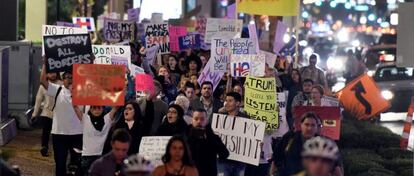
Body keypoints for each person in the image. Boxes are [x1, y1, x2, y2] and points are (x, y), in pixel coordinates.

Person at [40, 62, 83, 176]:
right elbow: (43, 81)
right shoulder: (57, 90)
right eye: (66, 77)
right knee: (60, 164)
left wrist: (92, 63)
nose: (69, 79)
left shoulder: (83, 91)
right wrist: (45, 64)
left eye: (72, 77)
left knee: (77, 165)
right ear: (62, 79)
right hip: (59, 134)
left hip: (77, 134)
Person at [73, 106, 118, 176]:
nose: (97, 110)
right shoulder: (85, 118)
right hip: (87, 156)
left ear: (102, 109)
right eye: (94, 108)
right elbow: (75, 107)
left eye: (99, 108)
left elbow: (115, 108)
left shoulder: (107, 119)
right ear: (90, 109)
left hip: (101, 156)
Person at [186, 109, 229, 176]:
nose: (199, 121)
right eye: (196, 119)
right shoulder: (185, 136)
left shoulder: (213, 137)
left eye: (202, 119)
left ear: (207, 121)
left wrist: (210, 137)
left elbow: (224, 154)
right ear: (192, 120)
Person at [217, 92, 247, 176]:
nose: (226, 103)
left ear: (238, 103)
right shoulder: (219, 118)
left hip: (240, 161)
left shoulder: (246, 119)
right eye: (226, 100)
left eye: (230, 101)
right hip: (223, 161)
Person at [32, 72, 60, 157]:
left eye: (54, 73)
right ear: (46, 75)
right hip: (46, 113)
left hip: (59, 114)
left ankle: (58, 149)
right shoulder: (43, 86)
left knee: (57, 133)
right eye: (50, 73)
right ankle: (44, 147)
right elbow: (38, 100)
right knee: (46, 131)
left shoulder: (62, 85)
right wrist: (34, 114)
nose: (52, 75)